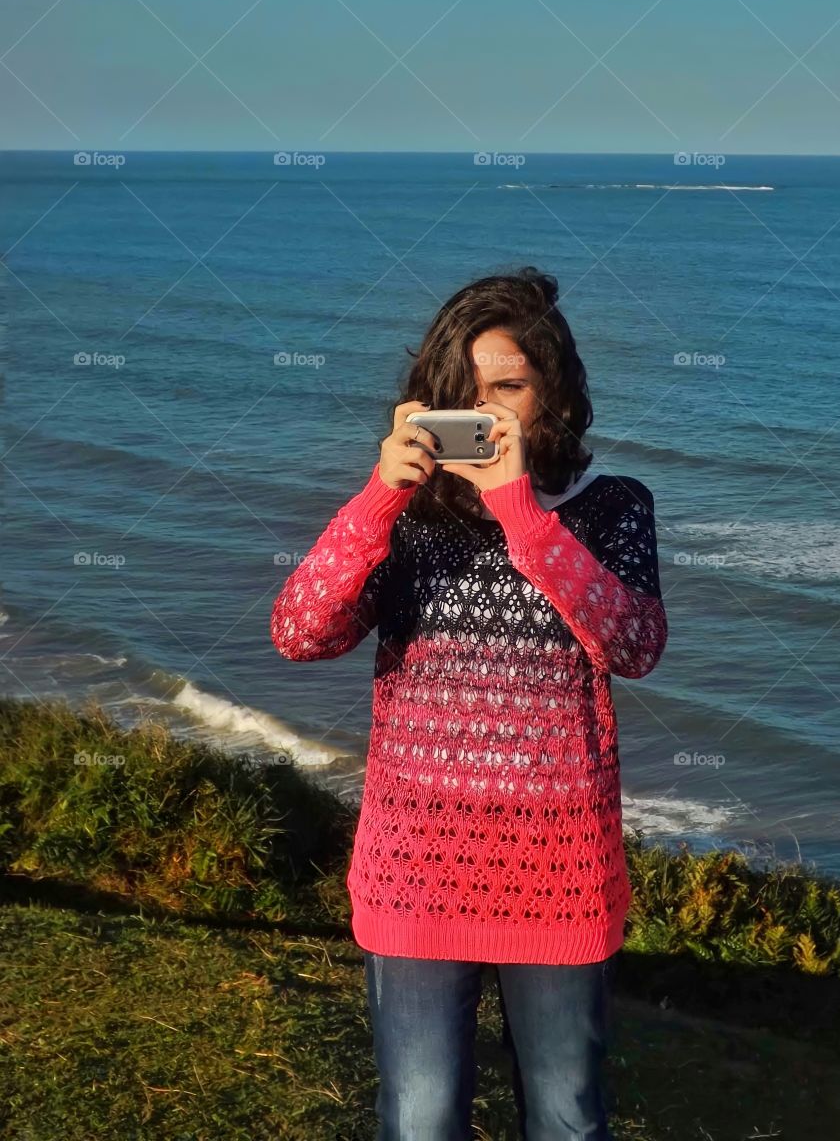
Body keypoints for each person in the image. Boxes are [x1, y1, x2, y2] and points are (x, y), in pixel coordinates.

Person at [270, 266, 669, 1140]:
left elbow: (633, 646)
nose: (486, 412)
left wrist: (523, 515)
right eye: (462, 393)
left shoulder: (611, 510)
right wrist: (379, 494)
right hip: (415, 864)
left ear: (554, 392)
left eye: (509, 387)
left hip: (560, 874)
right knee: (421, 1118)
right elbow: (301, 630)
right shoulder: (405, 519)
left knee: (568, 1120)